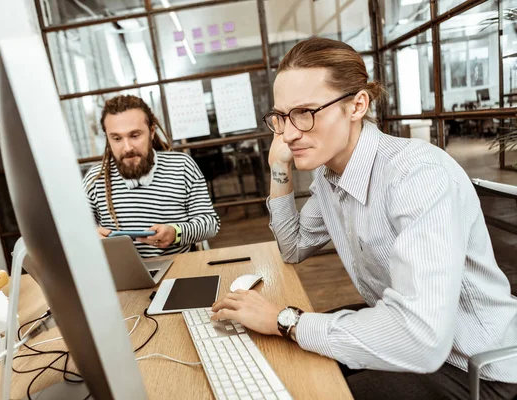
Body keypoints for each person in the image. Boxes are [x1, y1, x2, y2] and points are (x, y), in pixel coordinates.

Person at [211, 38, 517, 400]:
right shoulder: (330, 176)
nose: (288, 134)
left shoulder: (417, 175)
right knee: (288, 366)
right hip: (410, 337)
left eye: (305, 113)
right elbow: (292, 247)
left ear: (357, 106)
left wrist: (285, 320)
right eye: (280, 117)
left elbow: (422, 338)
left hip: (477, 368)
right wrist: (279, 168)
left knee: (317, 390)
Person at [83, 95, 220, 258]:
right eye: (117, 138)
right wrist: (90, 237)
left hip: (179, 267)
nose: (127, 147)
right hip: (123, 275)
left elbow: (210, 223)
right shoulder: (95, 178)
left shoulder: (182, 166)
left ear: (152, 132)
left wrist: (176, 233)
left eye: (135, 135)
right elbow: (75, 230)